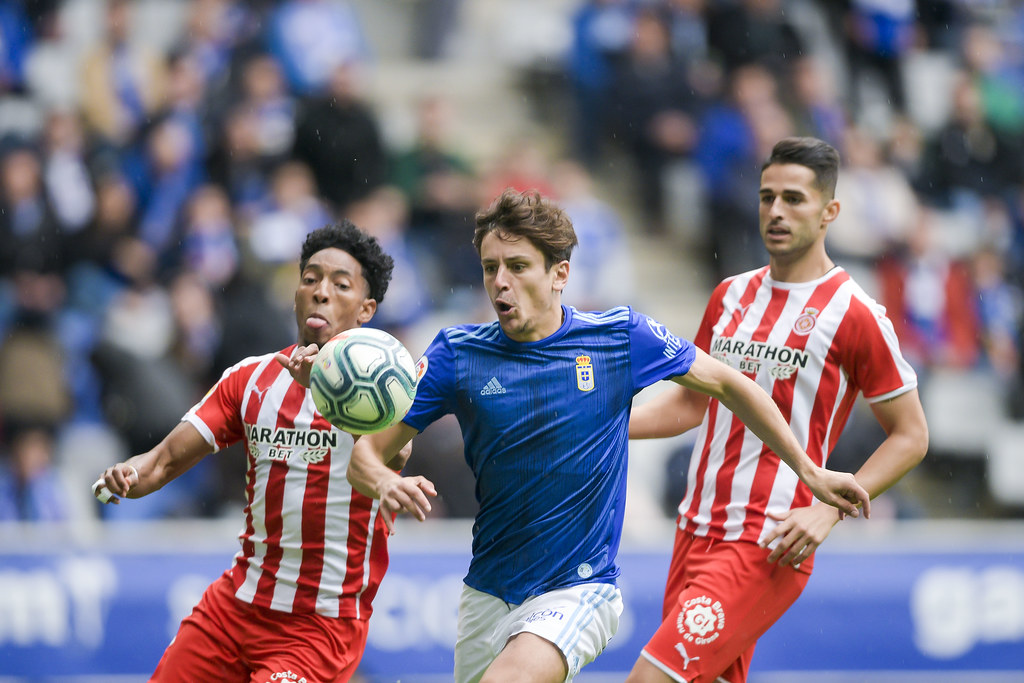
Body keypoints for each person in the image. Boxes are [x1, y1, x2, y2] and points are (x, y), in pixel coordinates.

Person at [339, 188, 870, 683]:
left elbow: (730, 383)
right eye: (490, 268)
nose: (500, 281)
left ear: (559, 273)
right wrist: (383, 481)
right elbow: (367, 454)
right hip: (487, 590)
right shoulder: (458, 354)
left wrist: (807, 469)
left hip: (580, 588)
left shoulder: (618, 336)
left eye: (518, 266)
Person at [623, 137, 929, 683]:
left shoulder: (855, 314)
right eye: (767, 198)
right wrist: (605, 427)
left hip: (768, 539)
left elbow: (911, 436)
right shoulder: (730, 296)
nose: (776, 212)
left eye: (794, 198)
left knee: (651, 679)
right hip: (694, 528)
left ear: (830, 211)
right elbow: (692, 404)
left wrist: (829, 510)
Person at [91, 221, 402, 682]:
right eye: (310, 278)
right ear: (295, 293)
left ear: (366, 309)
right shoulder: (251, 378)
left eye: (340, 285)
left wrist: (323, 391)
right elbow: (161, 462)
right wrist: (128, 476)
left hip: (319, 627)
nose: (320, 292)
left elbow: (390, 459)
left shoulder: (385, 393)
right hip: (236, 606)